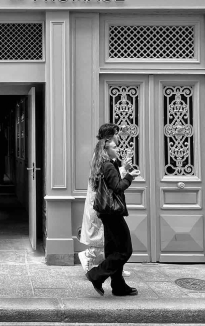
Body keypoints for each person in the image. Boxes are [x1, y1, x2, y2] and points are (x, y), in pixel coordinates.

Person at [85, 135, 138, 297]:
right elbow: (117, 187)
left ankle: (118, 286)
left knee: (113, 249)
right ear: (106, 150)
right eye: (114, 147)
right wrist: (130, 177)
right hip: (113, 213)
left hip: (107, 213)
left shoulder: (106, 164)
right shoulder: (108, 165)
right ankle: (96, 274)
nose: (117, 149)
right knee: (125, 250)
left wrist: (124, 168)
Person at [78, 124, 131, 277]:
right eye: (116, 134)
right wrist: (127, 172)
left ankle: (114, 270)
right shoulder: (103, 157)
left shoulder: (102, 154)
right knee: (108, 241)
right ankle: (94, 263)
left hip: (101, 202)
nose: (118, 137)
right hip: (104, 203)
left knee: (108, 241)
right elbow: (111, 180)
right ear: (109, 138)